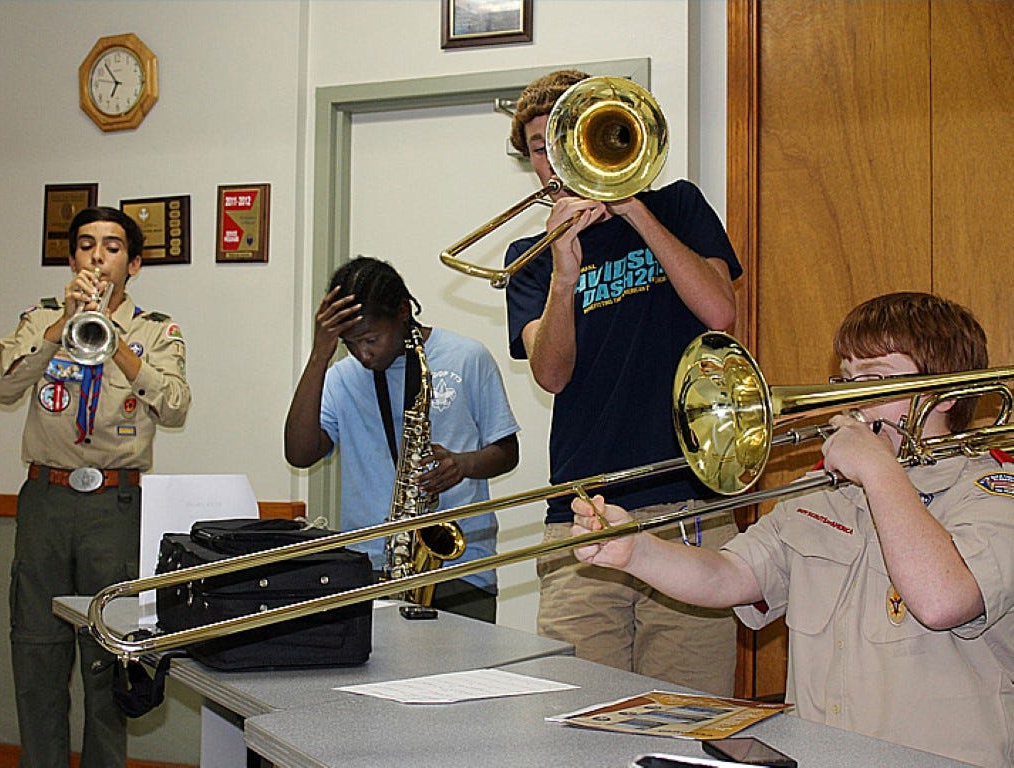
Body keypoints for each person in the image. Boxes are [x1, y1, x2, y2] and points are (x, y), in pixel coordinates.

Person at [571, 292, 1014, 767]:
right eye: (846, 379)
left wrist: (882, 473)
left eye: (878, 378)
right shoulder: (820, 491)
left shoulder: (993, 491)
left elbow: (944, 600)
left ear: (947, 392)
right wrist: (635, 550)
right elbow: (726, 575)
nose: (853, 397)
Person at [503, 69, 743, 694]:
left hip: (689, 500)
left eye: (564, 137)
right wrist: (563, 274)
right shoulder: (528, 255)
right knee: (577, 719)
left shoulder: (678, 204)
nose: (553, 158)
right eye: (536, 147)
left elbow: (720, 312)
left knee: (693, 717)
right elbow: (551, 374)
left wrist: (633, 206)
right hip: (584, 512)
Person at [0, 206, 191, 768]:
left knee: (109, 656)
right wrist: (62, 329)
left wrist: (115, 340)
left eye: (111, 247)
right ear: (71, 257)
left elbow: (174, 406)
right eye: (85, 246)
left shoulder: (156, 329)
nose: (97, 257)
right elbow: (3, 386)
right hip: (46, 500)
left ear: (134, 264)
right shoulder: (41, 319)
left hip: (116, 504)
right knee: (37, 652)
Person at [284, 255, 519, 623]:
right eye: (350, 344)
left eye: (371, 339)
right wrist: (320, 355)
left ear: (404, 311)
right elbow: (299, 454)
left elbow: (507, 451)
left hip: (461, 568)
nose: (363, 353)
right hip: (370, 569)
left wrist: (463, 464)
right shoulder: (342, 377)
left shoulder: (466, 357)